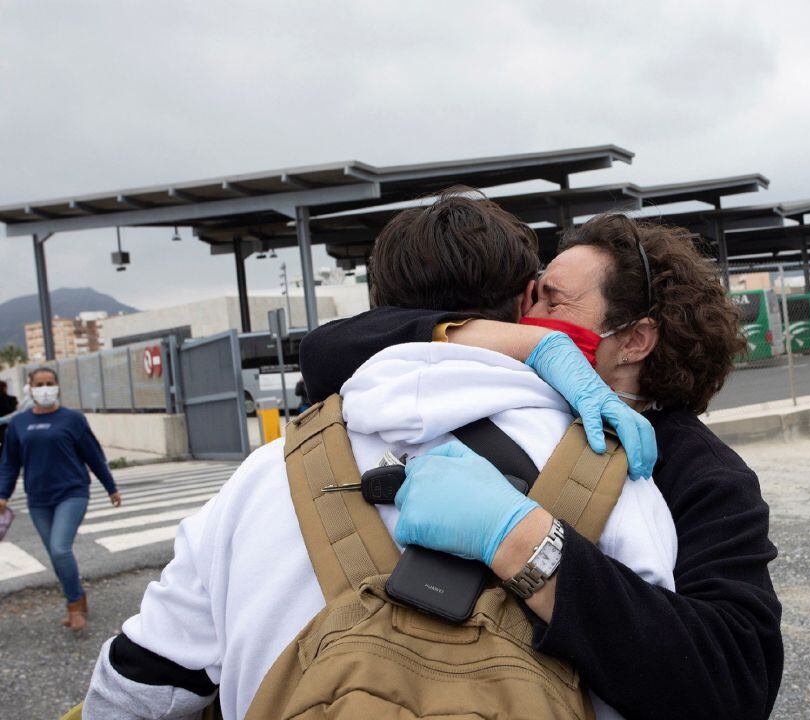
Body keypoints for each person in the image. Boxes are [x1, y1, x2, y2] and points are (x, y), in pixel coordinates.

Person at [83, 193, 675, 720]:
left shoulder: (264, 476)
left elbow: (144, 684)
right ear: (527, 299)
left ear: (377, 303)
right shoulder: (610, 469)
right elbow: (658, 677)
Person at [299, 210, 784, 719]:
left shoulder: (700, 472)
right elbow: (328, 348)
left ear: (636, 340)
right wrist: (539, 343)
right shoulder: (512, 402)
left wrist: (525, 544)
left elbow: (736, 678)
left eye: (553, 301)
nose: (525, 313)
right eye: (531, 297)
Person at [0, 367, 122, 632]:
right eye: (40, 384)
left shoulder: (73, 419)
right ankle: (77, 594)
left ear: (57, 386)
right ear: (30, 389)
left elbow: (93, 455)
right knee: (56, 556)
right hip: (38, 499)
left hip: (72, 492)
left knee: (59, 548)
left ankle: (74, 606)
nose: (45, 388)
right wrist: (2, 495)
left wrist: (110, 487)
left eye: (50, 383)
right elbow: (9, 463)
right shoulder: (18, 424)